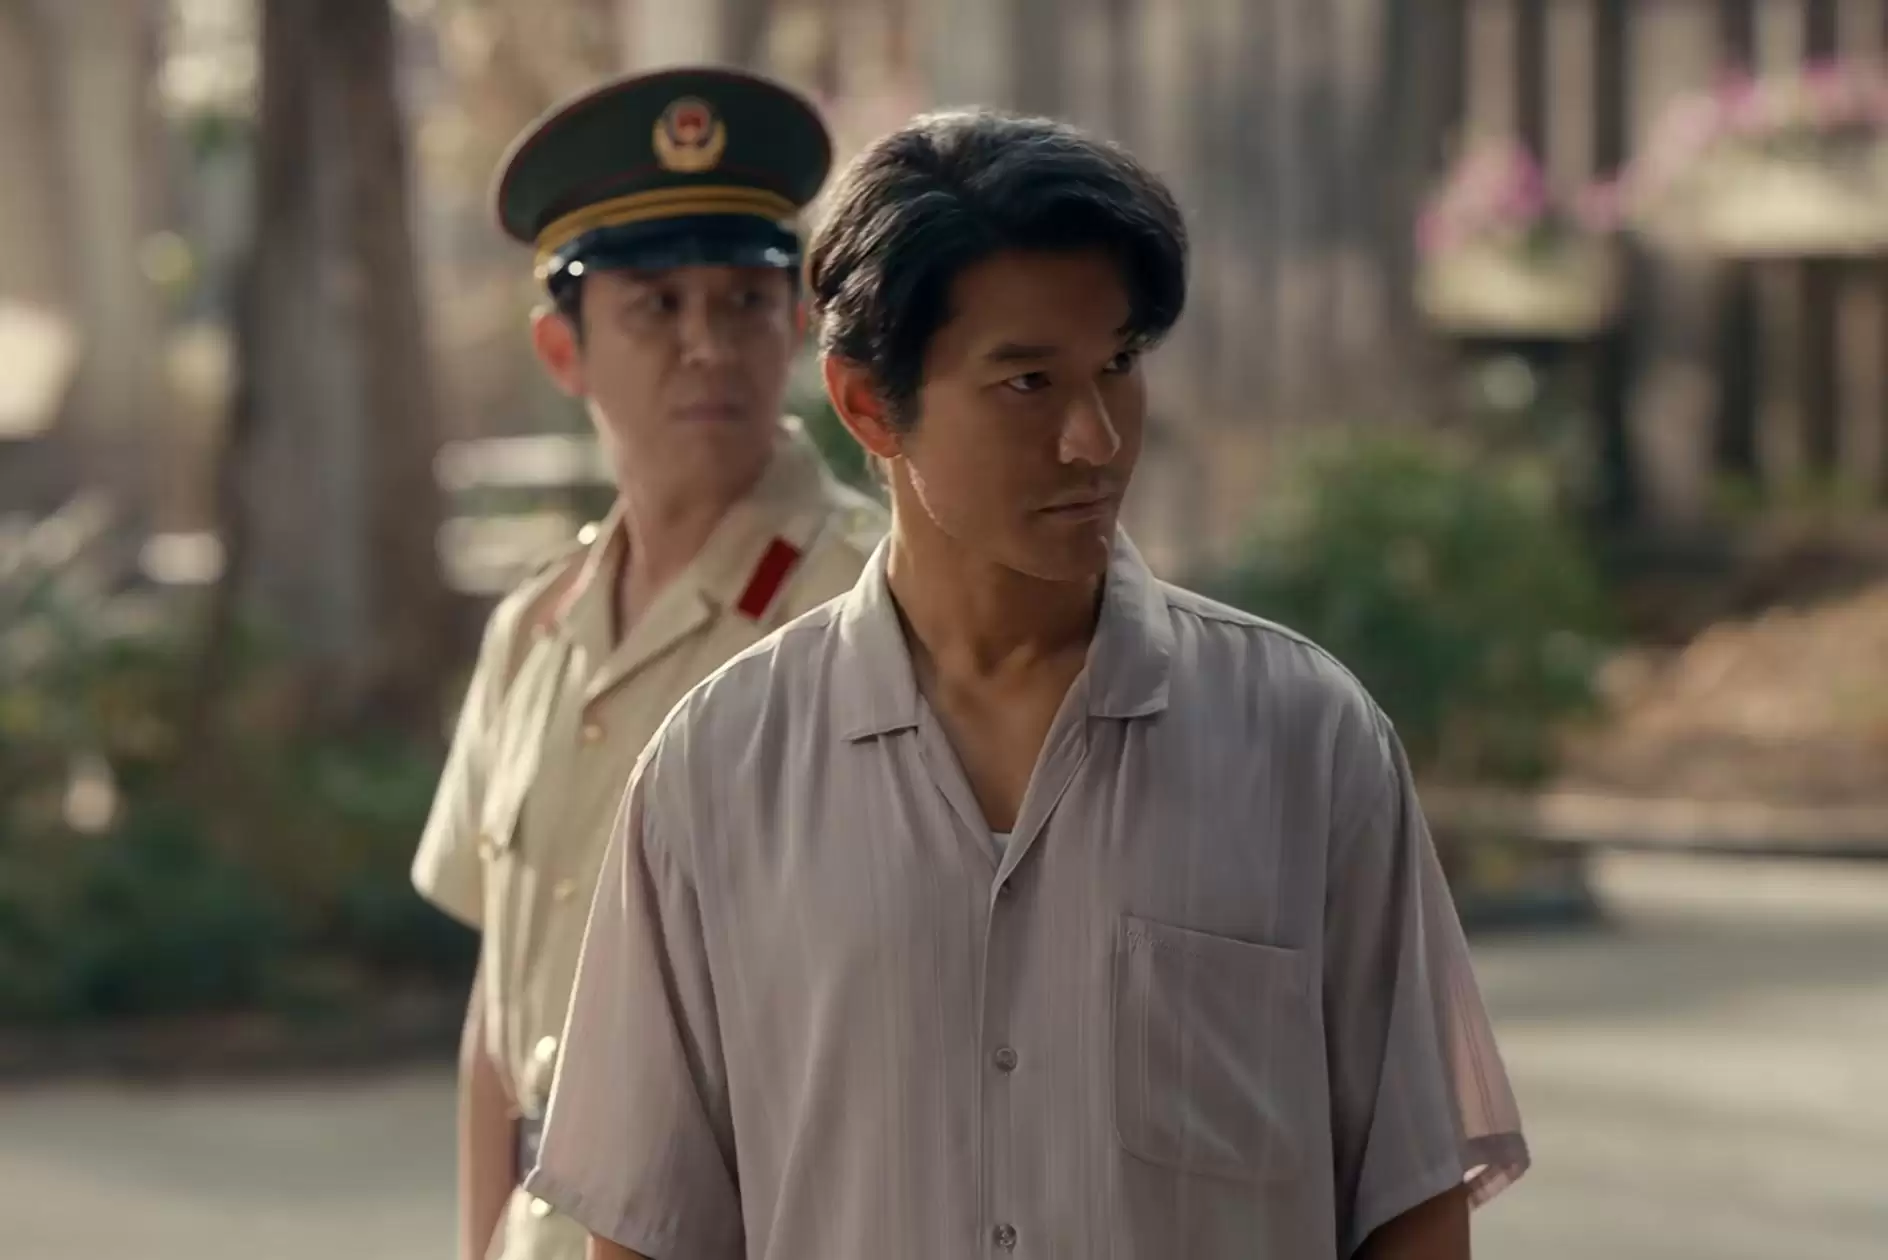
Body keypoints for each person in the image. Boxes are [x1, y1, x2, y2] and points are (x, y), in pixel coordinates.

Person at [524, 110, 1530, 1260]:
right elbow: (646, 1231)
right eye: (1028, 383)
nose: (1093, 438)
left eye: (1118, 366)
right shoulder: (717, 773)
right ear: (866, 404)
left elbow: (1409, 1198)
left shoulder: (1305, 741)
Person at [409, 66, 885, 1260]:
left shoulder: (870, 606)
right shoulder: (534, 629)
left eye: (744, 300)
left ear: (798, 325)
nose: (706, 345)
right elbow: (497, 1022)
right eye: (656, 306)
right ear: (561, 350)